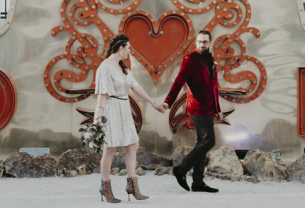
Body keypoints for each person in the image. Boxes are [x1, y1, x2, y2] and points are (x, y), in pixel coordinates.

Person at [95, 34, 165, 203]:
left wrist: (153, 103)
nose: (129, 51)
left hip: (124, 109)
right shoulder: (105, 67)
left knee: (132, 144)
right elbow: (103, 95)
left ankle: (132, 186)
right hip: (111, 109)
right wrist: (98, 116)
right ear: (121, 48)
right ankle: (105, 187)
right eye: (128, 48)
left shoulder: (123, 67)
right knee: (110, 148)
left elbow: (135, 86)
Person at [161, 30, 223, 193]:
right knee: (208, 141)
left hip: (209, 108)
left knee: (202, 143)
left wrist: (218, 109)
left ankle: (198, 182)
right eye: (200, 42)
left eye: (205, 42)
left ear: (210, 43)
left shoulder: (211, 59)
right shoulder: (189, 59)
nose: (202, 44)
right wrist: (168, 101)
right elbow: (178, 82)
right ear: (196, 43)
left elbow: (214, 86)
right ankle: (181, 169)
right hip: (197, 108)